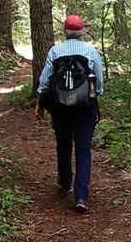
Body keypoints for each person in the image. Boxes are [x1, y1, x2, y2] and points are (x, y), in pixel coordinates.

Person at [34, 14, 104, 213]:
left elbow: (45, 81)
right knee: (83, 151)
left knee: (63, 145)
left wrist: (39, 104)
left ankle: (65, 182)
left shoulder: (56, 51)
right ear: (82, 32)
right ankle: (81, 196)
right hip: (85, 108)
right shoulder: (90, 51)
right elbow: (98, 81)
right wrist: (93, 95)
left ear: (64, 31)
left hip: (60, 108)